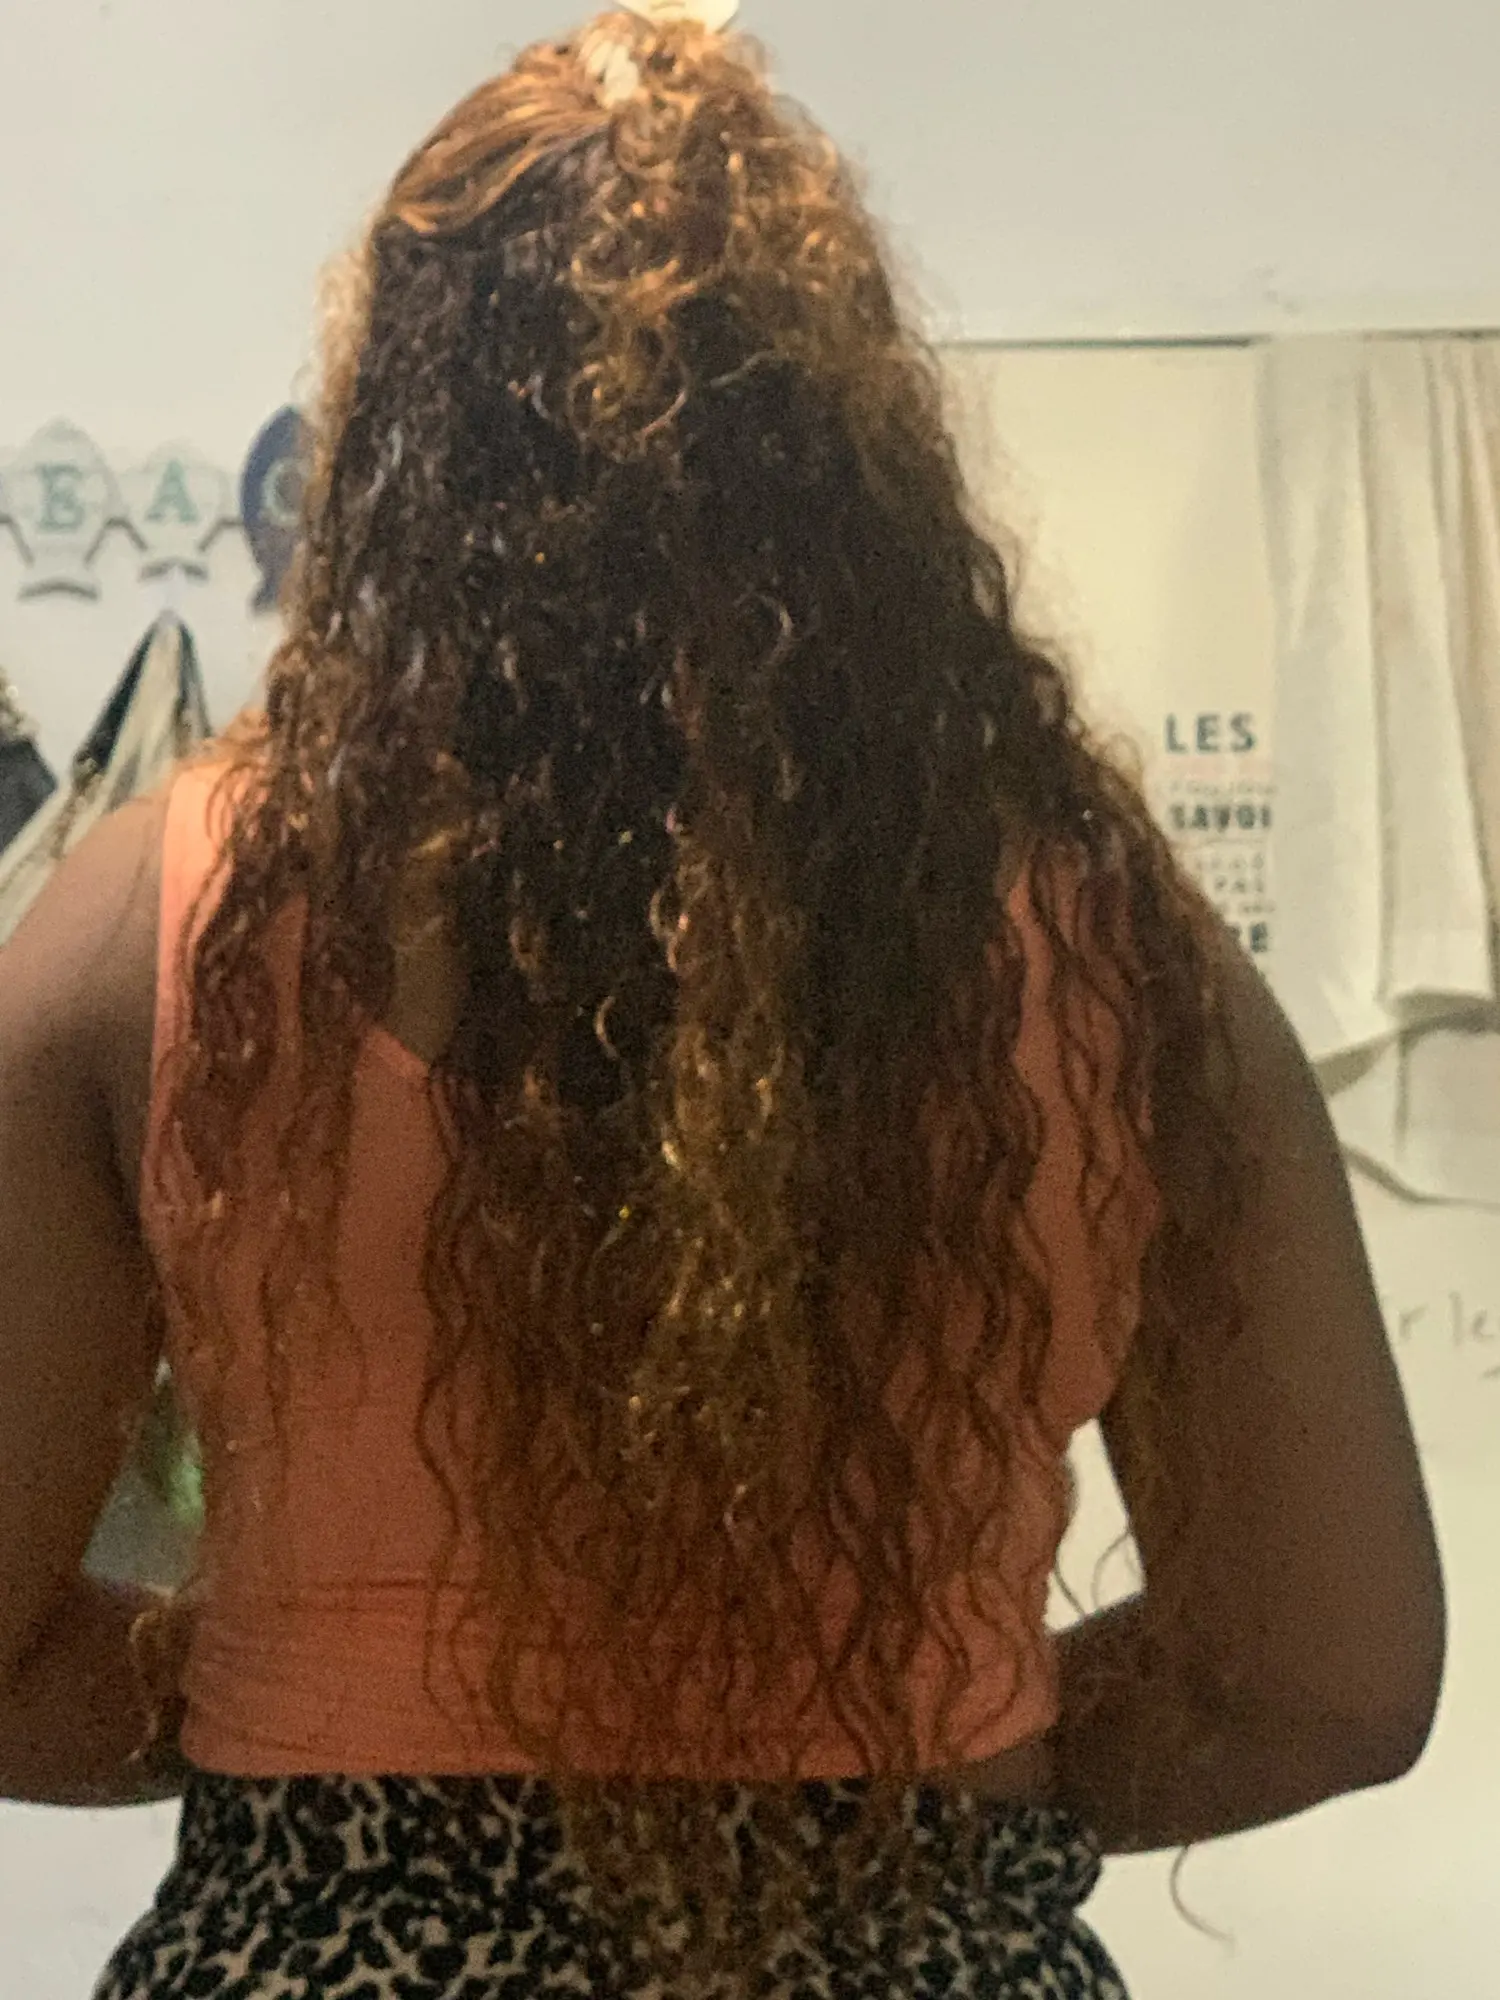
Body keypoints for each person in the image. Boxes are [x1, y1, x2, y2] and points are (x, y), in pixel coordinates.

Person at [0, 10, 1444, 1996]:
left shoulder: (144, 932)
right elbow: (1324, 1676)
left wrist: (311, 1720)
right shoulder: (1122, 952)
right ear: (856, 448)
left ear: (399, 437)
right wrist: (925, 1798)